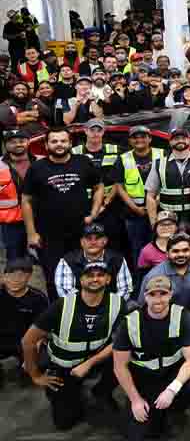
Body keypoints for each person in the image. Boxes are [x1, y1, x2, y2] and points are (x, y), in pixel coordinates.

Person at [21, 261, 125, 430]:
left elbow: (120, 341)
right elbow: (28, 341)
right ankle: (65, 393)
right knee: (65, 423)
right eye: (89, 275)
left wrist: (89, 363)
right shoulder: (61, 305)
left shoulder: (118, 303)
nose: (95, 279)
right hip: (63, 366)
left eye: (100, 275)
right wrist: (35, 375)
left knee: (130, 354)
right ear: (81, 280)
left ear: (108, 279)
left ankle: (101, 391)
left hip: (94, 360)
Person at [113, 275, 190, 441]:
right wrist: (135, 399)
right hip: (144, 378)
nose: (158, 300)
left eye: (162, 294)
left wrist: (172, 390)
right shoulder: (129, 323)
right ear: (145, 296)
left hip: (172, 374)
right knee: (138, 434)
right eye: (152, 294)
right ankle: (153, 412)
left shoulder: (183, 317)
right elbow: (119, 366)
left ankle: (175, 411)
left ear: (170, 295)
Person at [23, 128, 103, 297]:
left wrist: (94, 213)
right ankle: (58, 313)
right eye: (54, 141)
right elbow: (26, 200)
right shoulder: (37, 168)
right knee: (54, 278)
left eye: (63, 141)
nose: (59, 145)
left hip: (81, 232)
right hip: (48, 234)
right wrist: (31, 233)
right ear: (46, 145)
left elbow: (99, 187)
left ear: (70, 143)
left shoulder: (83, 162)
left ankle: (82, 310)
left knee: (84, 274)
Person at [114, 126, 166, 266]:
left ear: (149, 139)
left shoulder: (162, 154)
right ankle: (140, 282)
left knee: (163, 248)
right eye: (135, 137)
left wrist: (154, 203)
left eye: (143, 136)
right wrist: (133, 207)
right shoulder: (123, 158)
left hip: (159, 211)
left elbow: (167, 180)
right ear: (130, 141)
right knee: (138, 251)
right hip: (134, 214)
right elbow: (119, 186)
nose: (139, 140)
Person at [145, 127, 190, 242]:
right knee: (170, 250)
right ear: (170, 142)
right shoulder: (159, 164)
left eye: (183, 138)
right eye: (176, 138)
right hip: (169, 219)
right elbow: (150, 196)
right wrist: (154, 222)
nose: (180, 140)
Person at [54, 222, 133, 299]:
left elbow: (125, 290)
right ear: (82, 242)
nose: (93, 242)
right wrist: (89, 306)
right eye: (88, 238)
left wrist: (107, 306)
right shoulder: (68, 260)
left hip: (111, 308)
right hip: (78, 309)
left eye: (97, 238)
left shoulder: (117, 260)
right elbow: (65, 291)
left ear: (105, 241)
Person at [0, 258, 47, 373]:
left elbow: (42, 330)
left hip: (26, 340)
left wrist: (31, 358)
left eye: (21, 276)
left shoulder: (38, 298)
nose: (15, 280)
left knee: (42, 362)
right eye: (10, 276)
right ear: (4, 277)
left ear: (29, 276)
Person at [141, 233, 190, 309]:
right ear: (167, 254)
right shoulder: (153, 276)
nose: (181, 254)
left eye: (185, 250)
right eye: (175, 251)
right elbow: (143, 306)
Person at [0, 130, 35, 261]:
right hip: (12, 223)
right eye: (12, 142)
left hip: (39, 218)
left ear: (28, 142)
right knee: (15, 263)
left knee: (44, 259)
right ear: (5, 145)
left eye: (21, 141)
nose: (18, 144)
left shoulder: (41, 161)